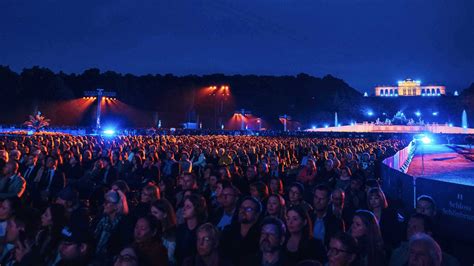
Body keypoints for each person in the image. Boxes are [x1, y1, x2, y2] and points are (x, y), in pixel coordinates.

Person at [220, 196, 262, 266]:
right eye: (242, 208)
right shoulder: (229, 231)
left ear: (256, 214)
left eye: (248, 209)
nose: (243, 211)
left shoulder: (260, 235)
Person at [94, 190, 134, 262]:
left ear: (116, 206)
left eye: (107, 202)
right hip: (94, 256)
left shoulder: (125, 224)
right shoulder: (101, 218)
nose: (104, 205)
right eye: (104, 202)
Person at [176, 194, 208, 266]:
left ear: (197, 209)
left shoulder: (203, 231)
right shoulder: (180, 229)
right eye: (184, 206)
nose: (184, 209)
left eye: (188, 207)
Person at [151, 199, 177, 265]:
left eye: (155, 213)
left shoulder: (172, 232)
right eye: (152, 213)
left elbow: (169, 257)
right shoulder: (156, 228)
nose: (152, 216)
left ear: (165, 214)